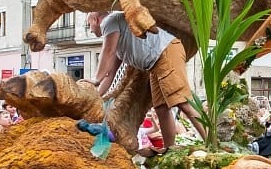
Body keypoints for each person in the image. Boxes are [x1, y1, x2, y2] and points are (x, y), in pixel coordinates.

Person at [86, 11, 206, 153]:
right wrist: (96, 96)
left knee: (181, 102)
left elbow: (108, 51)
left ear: (95, 19)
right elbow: (110, 74)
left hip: (165, 52)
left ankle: (210, 142)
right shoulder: (117, 39)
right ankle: (170, 149)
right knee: (161, 108)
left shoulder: (109, 21)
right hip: (155, 63)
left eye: (88, 25)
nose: (90, 30)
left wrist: (95, 79)